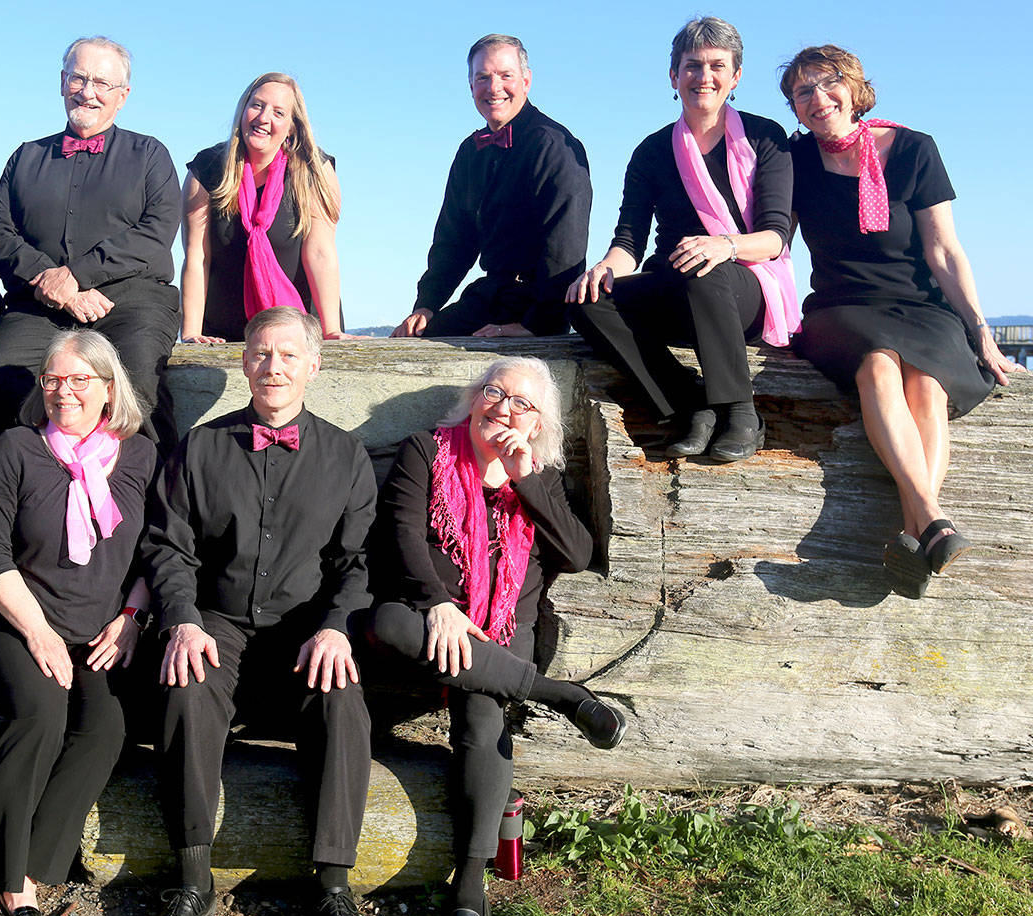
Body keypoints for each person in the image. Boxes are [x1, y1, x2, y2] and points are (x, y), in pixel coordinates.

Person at [137, 307, 376, 916]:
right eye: (261, 353)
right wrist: (181, 615)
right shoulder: (201, 447)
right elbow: (167, 545)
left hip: (305, 632)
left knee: (343, 698)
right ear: (243, 362)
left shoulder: (346, 455)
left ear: (313, 364)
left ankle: (331, 884)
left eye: (288, 354)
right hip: (218, 624)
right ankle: (190, 879)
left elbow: (358, 563)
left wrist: (336, 626)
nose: (273, 366)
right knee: (183, 682)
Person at [365, 357, 626, 916]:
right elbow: (401, 535)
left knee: (484, 725)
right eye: (495, 393)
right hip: (427, 620)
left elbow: (579, 553)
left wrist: (524, 478)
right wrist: (437, 604)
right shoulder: (424, 452)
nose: (504, 409)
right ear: (474, 397)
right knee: (386, 623)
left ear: (539, 423)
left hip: (506, 628)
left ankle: (470, 886)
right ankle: (560, 694)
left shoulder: (539, 473)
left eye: (522, 404)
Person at [781, 45, 1022, 597]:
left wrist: (981, 329)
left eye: (829, 83)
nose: (819, 99)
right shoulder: (793, 163)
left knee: (928, 385)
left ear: (855, 87)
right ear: (794, 108)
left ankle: (919, 535)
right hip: (842, 308)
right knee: (878, 368)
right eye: (803, 92)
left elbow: (944, 251)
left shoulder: (914, 149)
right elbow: (778, 243)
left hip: (919, 307)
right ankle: (931, 519)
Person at [0, 330, 154, 916]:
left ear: (108, 388)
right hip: (19, 622)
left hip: (100, 630)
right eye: (52, 379)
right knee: (42, 716)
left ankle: (29, 874)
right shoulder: (18, 447)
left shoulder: (140, 456)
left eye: (78, 380)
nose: (63, 391)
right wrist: (37, 630)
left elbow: (157, 551)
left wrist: (130, 616)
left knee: (105, 729)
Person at [566, 17, 799, 463]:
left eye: (717, 66)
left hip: (747, 289)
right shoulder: (651, 151)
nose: (704, 77)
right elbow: (628, 242)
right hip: (676, 286)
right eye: (692, 66)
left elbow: (774, 237)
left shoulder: (766, 137)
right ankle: (689, 402)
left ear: (736, 75)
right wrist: (603, 270)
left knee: (702, 269)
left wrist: (724, 245)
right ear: (674, 75)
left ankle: (741, 413)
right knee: (586, 300)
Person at [0, 36, 182, 461]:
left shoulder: (150, 155)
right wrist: (51, 280)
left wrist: (76, 276)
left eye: (102, 83)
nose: (88, 92)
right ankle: (3, 512)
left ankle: (159, 518)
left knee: (140, 381)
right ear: (62, 82)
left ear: (122, 97)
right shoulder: (25, 157)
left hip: (131, 301)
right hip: (39, 303)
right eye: (79, 78)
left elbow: (155, 231)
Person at [393, 34, 591, 340]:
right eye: (482, 77)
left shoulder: (554, 147)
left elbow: (565, 249)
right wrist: (426, 306)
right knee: (411, 343)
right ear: (471, 86)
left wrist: (534, 326)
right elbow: (453, 241)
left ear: (526, 81)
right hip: (491, 294)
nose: (494, 87)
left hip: (539, 304)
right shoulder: (470, 152)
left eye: (505, 75)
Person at [180, 73, 345, 343]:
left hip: (299, 330)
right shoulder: (207, 169)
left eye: (278, 112)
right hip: (224, 333)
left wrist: (332, 331)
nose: (263, 118)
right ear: (243, 109)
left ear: (292, 127)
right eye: (256, 105)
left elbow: (320, 253)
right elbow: (198, 256)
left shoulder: (315, 170)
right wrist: (191, 333)